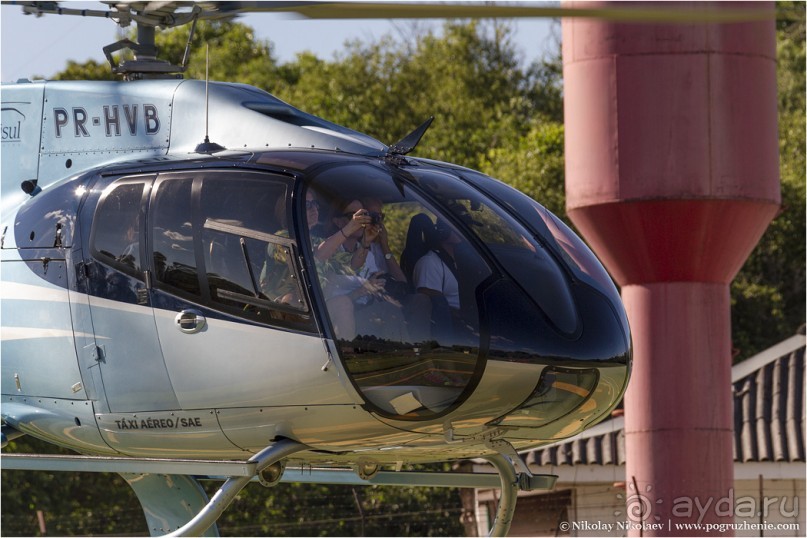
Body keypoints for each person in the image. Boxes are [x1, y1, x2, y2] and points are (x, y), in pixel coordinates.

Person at [412, 219, 463, 341]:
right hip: (459, 331)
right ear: (443, 231)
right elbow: (436, 309)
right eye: (459, 225)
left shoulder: (465, 261)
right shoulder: (429, 263)